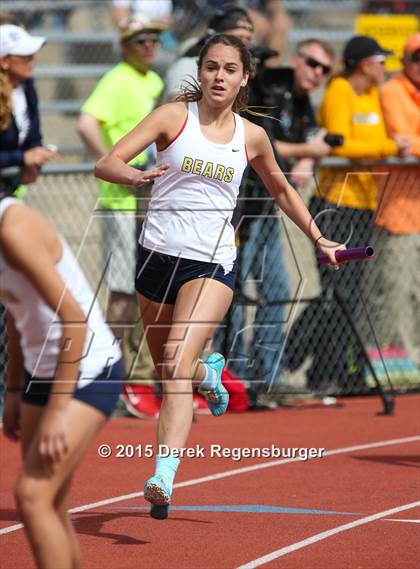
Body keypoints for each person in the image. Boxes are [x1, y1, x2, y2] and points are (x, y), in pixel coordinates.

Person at [94, 33, 344, 519]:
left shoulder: (251, 135)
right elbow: (107, 162)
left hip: (210, 262)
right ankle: (209, 370)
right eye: (211, 67)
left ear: (244, 78)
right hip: (156, 257)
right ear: (200, 70)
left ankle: (162, 476)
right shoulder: (173, 117)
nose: (219, 77)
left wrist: (319, 238)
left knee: (172, 359)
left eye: (230, 69)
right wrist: (134, 176)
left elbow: (283, 191)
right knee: (177, 370)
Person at [0, 194, 123, 568]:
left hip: (87, 369)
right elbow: (16, 313)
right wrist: (14, 389)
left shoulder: (13, 229)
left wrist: (57, 411)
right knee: (50, 503)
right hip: (41, 372)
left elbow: (74, 320)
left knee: (32, 496)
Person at [291, 35, 410, 393]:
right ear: (363, 63)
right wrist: (388, 148)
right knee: (337, 290)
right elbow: (341, 142)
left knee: (350, 292)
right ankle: (300, 358)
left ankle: (336, 369)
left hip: (363, 204)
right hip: (335, 204)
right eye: (379, 60)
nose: (384, 67)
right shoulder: (340, 90)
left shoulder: (373, 94)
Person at [225, 39, 334, 401]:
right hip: (242, 206)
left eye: (324, 69)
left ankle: (266, 379)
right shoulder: (265, 91)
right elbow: (265, 144)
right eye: (312, 63)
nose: (317, 73)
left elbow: (310, 141)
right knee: (236, 293)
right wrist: (307, 151)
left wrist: (309, 157)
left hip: (268, 204)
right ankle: (237, 377)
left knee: (278, 290)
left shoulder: (301, 100)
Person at [77, 15, 165, 419]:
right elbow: (85, 122)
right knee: (121, 293)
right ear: (124, 45)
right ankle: (106, 378)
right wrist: (108, 162)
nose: (148, 46)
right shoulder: (116, 79)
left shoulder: (153, 82)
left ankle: (130, 376)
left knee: (143, 290)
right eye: (139, 40)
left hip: (146, 200)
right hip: (119, 201)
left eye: (152, 39)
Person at [363, 33, 420, 369]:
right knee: (394, 293)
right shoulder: (392, 92)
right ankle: (396, 366)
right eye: (417, 57)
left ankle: (413, 362)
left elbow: (411, 143)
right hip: (398, 211)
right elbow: (402, 142)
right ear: (405, 60)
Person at [0, 24, 57, 198]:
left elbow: (33, 137)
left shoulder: (27, 87)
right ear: (4, 62)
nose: (32, 59)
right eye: (24, 55)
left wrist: (35, 163)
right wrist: (22, 158)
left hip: (8, 190)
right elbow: (23, 155)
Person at [164, 3, 254, 101]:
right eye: (237, 38)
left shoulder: (244, 72)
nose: (243, 45)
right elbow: (179, 107)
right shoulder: (187, 65)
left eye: (248, 39)